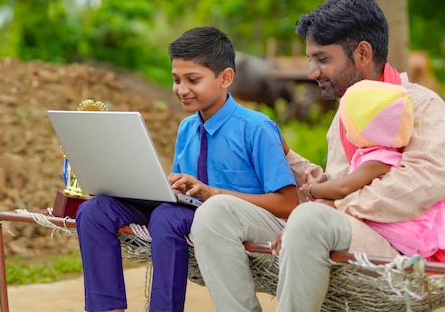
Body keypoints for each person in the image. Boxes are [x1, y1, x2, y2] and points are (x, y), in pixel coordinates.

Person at [190, 0, 445, 312]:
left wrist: (331, 208)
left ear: (362, 53)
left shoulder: (423, 106)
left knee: (309, 218)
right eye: (311, 60)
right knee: (215, 213)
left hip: (398, 245)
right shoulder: (346, 113)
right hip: (331, 229)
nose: (311, 71)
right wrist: (284, 154)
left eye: (321, 59)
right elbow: (333, 184)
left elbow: (425, 182)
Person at [75, 26, 298, 312]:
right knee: (94, 211)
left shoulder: (256, 128)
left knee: (167, 218)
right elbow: (184, 190)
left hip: (233, 218)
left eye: (193, 79)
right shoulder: (187, 127)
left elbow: (289, 204)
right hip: (187, 210)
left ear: (225, 78)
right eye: (176, 79)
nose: (181, 89)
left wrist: (213, 193)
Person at [299, 79, 445, 261]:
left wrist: (313, 190)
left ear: (365, 131)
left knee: (318, 225)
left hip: (403, 235)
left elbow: (343, 188)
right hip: (406, 228)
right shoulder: (378, 156)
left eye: (349, 126)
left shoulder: (376, 160)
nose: (345, 132)